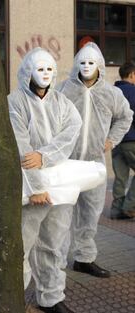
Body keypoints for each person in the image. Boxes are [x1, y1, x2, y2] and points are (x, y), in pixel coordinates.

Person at [9, 48, 81, 313]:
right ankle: (13, 301)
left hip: (59, 185)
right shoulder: (15, 101)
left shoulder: (62, 102)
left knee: (54, 244)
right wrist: (36, 186)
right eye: (40, 69)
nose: (46, 74)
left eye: (50, 69)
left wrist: (44, 155)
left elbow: (71, 132)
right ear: (28, 70)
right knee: (23, 246)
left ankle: (51, 298)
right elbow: (20, 145)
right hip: (30, 187)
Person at [57, 42, 133, 278]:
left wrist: (112, 140)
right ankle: (56, 262)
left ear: (99, 66)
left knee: (90, 214)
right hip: (67, 163)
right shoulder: (63, 89)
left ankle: (84, 258)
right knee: (61, 217)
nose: (87, 66)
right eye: (83, 62)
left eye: (91, 63)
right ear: (76, 64)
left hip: (94, 164)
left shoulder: (111, 93)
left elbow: (125, 116)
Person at [110, 62, 135, 220]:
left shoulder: (112, 91)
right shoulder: (133, 91)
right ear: (132, 74)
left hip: (114, 141)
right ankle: (129, 207)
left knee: (120, 176)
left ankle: (116, 210)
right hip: (132, 139)